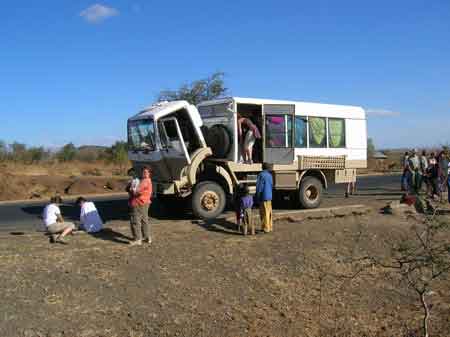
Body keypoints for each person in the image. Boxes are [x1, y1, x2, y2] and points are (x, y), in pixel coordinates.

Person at [127, 166, 153, 246]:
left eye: (146, 172)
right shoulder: (147, 180)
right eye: (143, 172)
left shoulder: (145, 181)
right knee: (144, 220)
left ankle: (137, 239)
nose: (144, 173)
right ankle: (146, 237)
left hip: (139, 202)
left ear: (149, 174)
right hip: (145, 202)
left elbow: (136, 192)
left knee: (135, 220)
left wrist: (131, 190)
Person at [256, 163, 273, 233]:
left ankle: (266, 228)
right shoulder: (270, 175)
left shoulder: (261, 175)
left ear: (262, 167)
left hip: (263, 196)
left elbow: (259, 187)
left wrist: (257, 195)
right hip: (269, 196)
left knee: (264, 213)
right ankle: (270, 226)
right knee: (269, 212)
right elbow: (271, 185)